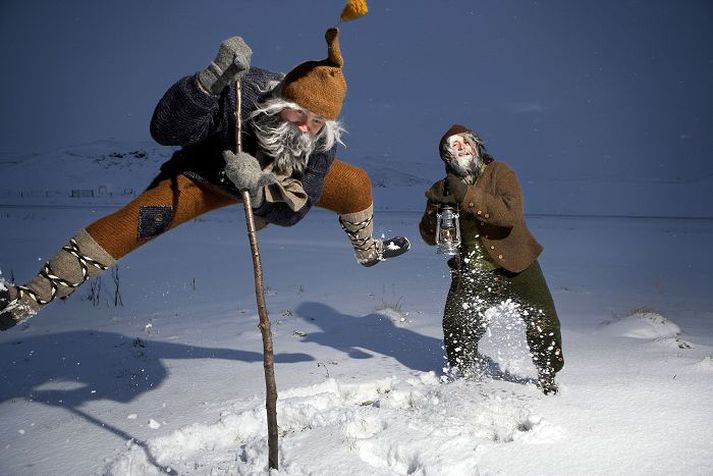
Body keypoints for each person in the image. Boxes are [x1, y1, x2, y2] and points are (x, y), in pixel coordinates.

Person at [0, 28, 410, 331]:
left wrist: (259, 188)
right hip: (208, 177)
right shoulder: (241, 93)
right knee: (138, 221)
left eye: (317, 122)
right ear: (280, 101)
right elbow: (166, 131)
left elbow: (298, 209)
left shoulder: (323, 143)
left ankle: (367, 250)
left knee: (356, 184)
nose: (305, 128)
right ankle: (26, 299)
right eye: (298, 114)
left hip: (270, 185)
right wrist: (207, 83)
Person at [419, 124, 563, 394]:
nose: (459, 146)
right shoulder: (442, 187)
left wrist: (466, 195)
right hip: (473, 269)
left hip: (517, 264)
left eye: (464, 141)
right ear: (446, 156)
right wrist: (433, 212)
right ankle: (466, 374)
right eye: (452, 145)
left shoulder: (500, 173)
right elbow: (429, 238)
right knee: (456, 323)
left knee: (542, 320)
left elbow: (509, 214)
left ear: (476, 146)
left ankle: (547, 375)